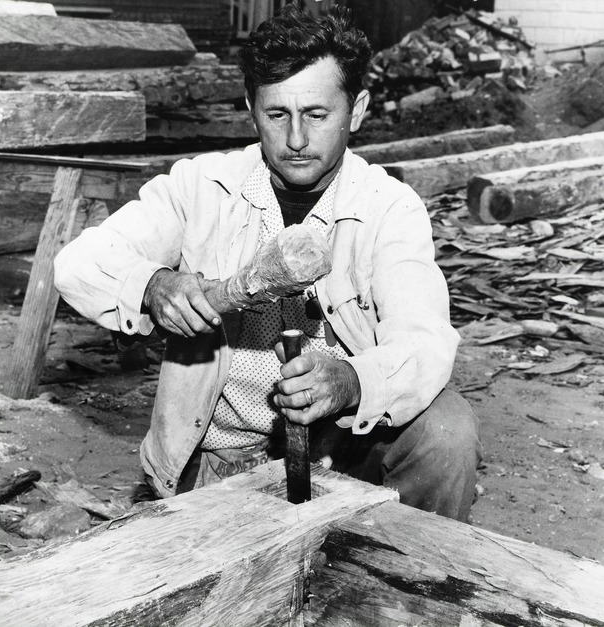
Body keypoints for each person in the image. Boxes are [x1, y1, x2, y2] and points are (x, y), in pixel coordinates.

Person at [54, 4, 482, 522]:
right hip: (217, 459)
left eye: (318, 115)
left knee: (446, 429)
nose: (296, 140)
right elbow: (78, 263)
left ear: (358, 109)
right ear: (251, 109)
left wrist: (350, 380)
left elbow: (424, 339)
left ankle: (416, 580)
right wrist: (153, 284)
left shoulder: (387, 207)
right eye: (277, 115)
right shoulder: (200, 187)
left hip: (338, 460)